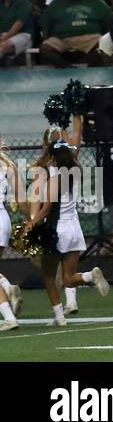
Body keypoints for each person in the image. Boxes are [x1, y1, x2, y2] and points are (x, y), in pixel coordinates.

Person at [26, 120, 111, 326]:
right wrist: (69, 123)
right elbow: (72, 145)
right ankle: (90, 276)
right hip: (74, 228)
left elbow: (46, 207)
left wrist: (32, 224)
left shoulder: (53, 178)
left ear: (52, 156)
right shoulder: (75, 170)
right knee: (69, 277)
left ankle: (59, 317)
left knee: (48, 276)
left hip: (58, 229)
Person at [0, 136, 20, 330]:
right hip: (3, 219)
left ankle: (9, 318)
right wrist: (30, 219)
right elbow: (21, 197)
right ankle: (7, 287)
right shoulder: (8, 165)